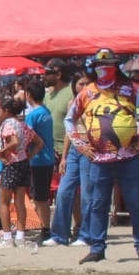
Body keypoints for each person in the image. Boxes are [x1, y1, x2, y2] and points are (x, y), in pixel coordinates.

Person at [67, 48, 139, 265]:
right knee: (98, 205)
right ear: (93, 68)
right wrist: (80, 145)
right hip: (99, 160)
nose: (103, 69)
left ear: (117, 66)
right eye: (98, 66)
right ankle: (97, 248)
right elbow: (69, 119)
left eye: (108, 64)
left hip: (128, 158)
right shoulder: (87, 93)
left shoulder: (131, 89)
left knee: (135, 204)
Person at [43, 69, 97, 248]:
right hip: (74, 150)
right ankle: (59, 234)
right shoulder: (72, 103)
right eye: (80, 83)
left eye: (86, 83)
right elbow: (69, 130)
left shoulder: (97, 103)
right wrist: (64, 156)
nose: (83, 87)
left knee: (87, 195)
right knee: (64, 192)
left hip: (90, 150)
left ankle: (86, 234)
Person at [0, 96, 39, 248]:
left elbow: (14, 142)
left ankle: (7, 237)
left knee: (3, 202)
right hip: (23, 163)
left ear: (6, 111)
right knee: (20, 202)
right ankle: (20, 236)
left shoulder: (8, 124)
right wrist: (28, 155)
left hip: (12, 164)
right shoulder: (23, 124)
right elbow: (39, 143)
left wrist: (1, 152)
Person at [21, 77, 57, 244]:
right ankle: (44, 226)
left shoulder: (33, 115)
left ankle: (45, 229)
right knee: (40, 195)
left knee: (40, 197)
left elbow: (27, 138)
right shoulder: (46, 111)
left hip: (38, 160)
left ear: (28, 95)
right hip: (47, 158)